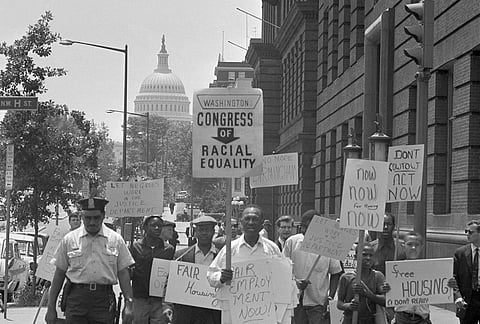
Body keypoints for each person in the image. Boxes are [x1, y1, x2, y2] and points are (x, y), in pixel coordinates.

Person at [45, 197, 135, 324]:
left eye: (96, 217)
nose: (92, 222)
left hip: (103, 301)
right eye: (88, 218)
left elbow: (123, 273)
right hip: (76, 299)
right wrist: (51, 308)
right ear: (82, 217)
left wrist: (129, 304)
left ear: (103, 216)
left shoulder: (116, 240)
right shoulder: (69, 240)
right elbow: (59, 274)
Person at [207, 204, 284, 324]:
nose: (251, 222)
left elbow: (282, 278)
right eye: (247, 219)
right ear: (241, 222)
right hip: (235, 314)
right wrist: (221, 277)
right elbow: (211, 275)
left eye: (255, 219)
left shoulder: (271, 249)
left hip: (264, 313)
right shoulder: (229, 249)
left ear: (262, 223)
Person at [283, 209, 343, 324]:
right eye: (303, 226)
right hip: (295, 301)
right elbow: (283, 270)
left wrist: (329, 297)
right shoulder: (292, 242)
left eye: (308, 227)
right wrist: (295, 282)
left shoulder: (328, 245)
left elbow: (336, 273)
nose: (304, 230)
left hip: (318, 303)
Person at [173, 215, 221, 324]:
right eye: (201, 230)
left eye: (207, 230)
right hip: (187, 312)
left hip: (213, 312)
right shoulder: (181, 256)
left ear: (213, 232)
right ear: (195, 232)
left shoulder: (222, 256)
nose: (204, 233)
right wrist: (167, 306)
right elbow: (171, 283)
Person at [131, 214, 175, 324]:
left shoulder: (169, 249)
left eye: (160, 226)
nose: (157, 228)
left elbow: (171, 276)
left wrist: (168, 303)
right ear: (145, 227)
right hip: (140, 298)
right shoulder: (135, 247)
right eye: (153, 225)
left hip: (159, 300)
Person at [383, 232, 432, 324]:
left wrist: (449, 284)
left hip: (422, 318)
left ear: (422, 247)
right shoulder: (395, 270)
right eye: (410, 244)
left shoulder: (429, 269)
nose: (413, 248)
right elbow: (388, 296)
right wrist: (386, 289)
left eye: (416, 245)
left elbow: (440, 287)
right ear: (403, 246)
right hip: (402, 318)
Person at [337, 242, 386, 324]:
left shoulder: (378, 276)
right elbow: (339, 303)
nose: (368, 258)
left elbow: (385, 301)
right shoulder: (346, 277)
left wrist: (367, 294)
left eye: (371, 255)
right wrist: (349, 306)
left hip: (370, 320)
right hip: (350, 320)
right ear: (356, 257)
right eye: (364, 255)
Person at [453, 219, 480, 324]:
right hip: (467, 301)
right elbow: (453, 277)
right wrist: (457, 296)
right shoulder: (460, 253)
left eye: (471, 232)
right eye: (466, 231)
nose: (467, 234)